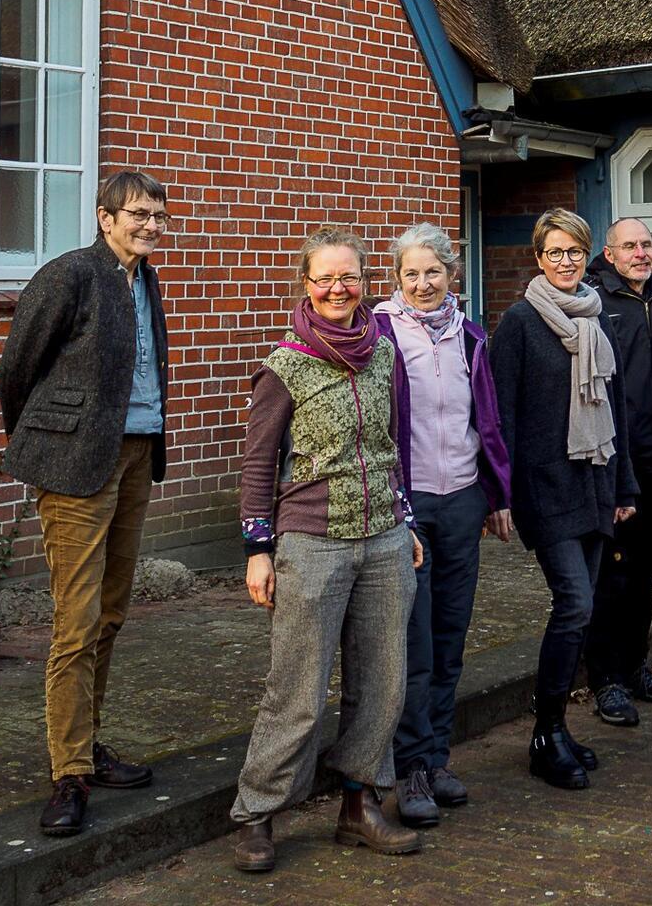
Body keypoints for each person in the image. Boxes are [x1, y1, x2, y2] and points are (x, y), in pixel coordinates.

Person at [229, 227, 425, 873]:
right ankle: (258, 814)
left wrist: (408, 520)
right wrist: (259, 549)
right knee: (297, 692)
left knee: (381, 684)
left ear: (365, 283)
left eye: (349, 277)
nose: (338, 289)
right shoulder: (284, 365)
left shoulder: (384, 355)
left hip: (384, 542)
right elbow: (258, 464)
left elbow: (396, 443)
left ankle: (359, 804)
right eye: (325, 278)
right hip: (311, 544)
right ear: (305, 286)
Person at [0, 170, 171, 837]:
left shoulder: (146, 280)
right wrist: (47, 441)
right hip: (76, 466)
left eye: (158, 214)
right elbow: (17, 366)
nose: (151, 224)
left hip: (134, 457)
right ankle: (68, 772)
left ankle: (88, 746)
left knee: (112, 613)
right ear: (104, 218)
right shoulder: (70, 274)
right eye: (137, 213)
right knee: (76, 621)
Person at [490, 208, 638, 790]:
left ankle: (555, 727)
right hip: (545, 489)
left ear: (588, 257)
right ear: (538, 258)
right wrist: (499, 495)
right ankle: (544, 733)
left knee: (585, 607)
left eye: (575, 252)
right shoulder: (520, 324)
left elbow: (615, 410)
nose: (566, 262)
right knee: (574, 602)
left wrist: (624, 485)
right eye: (555, 253)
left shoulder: (598, 321)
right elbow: (500, 418)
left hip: (595, 483)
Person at [375, 224, 512, 827]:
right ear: (396, 278)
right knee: (415, 642)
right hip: (408, 507)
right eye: (412, 273)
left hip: (461, 500)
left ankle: (438, 756)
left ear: (452, 274)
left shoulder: (473, 337)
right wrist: (392, 506)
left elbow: (487, 421)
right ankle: (409, 770)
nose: (423, 283)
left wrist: (496, 493)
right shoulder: (378, 334)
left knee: (452, 637)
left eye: (434, 272)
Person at [584, 216, 652, 727]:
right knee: (614, 573)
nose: (640, 253)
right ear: (609, 254)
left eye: (647, 245)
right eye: (629, 246)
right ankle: (605, 678)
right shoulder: (595, 307)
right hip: (616, 465)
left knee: (648, 568)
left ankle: (634, 668)